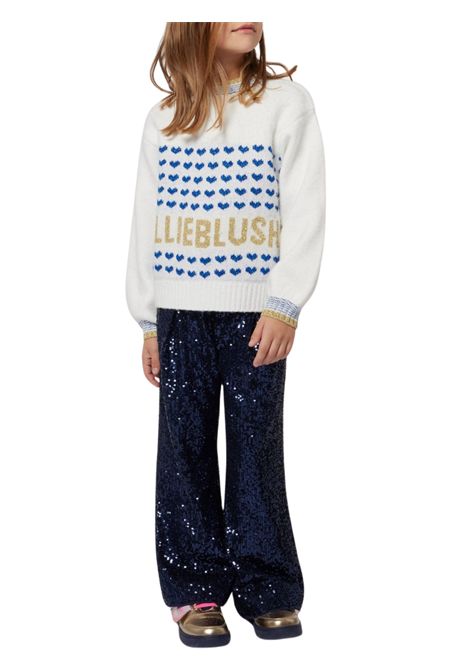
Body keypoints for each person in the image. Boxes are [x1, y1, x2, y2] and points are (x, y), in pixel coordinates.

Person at [125, 21, 326, 647]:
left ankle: (268, 587)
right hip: (179, 314)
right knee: (182, 451)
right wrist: (148, 320)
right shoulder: (164, 119)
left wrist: (285, 304)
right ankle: (195, 588)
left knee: (256, 450)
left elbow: (305, 205)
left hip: (256, 314)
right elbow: (145, 219)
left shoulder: (285, 103)